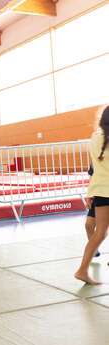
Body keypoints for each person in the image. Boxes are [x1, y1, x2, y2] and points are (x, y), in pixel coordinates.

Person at [75, 105, 109, 285]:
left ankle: (82, 270)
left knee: (100, 233)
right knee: (99, 232)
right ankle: (81, 270)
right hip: (105, 189)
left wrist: (91, 192)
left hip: (100, 190)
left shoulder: (95, 138)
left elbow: (95, 168)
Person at [84, 165, 101, 258]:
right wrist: (90, 195)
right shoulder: (96, 157)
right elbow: (92, 177)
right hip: (98, 195)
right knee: (89, 225)